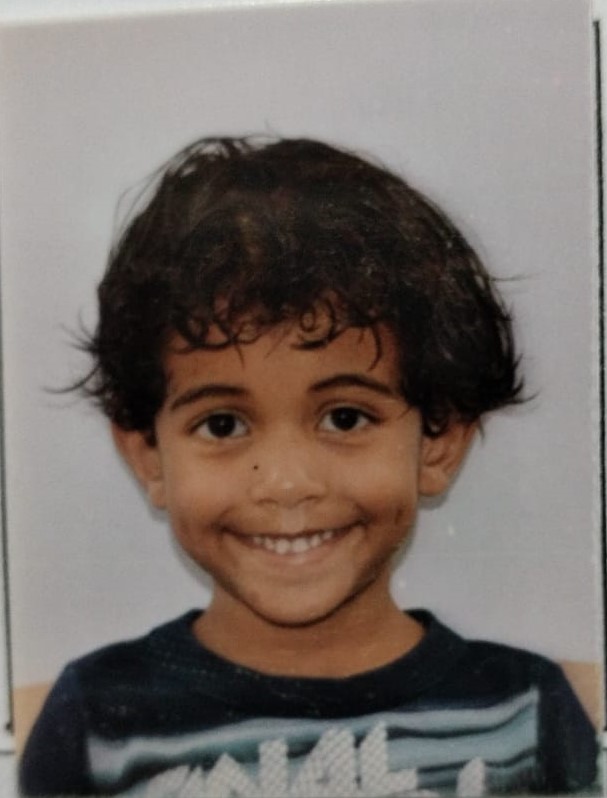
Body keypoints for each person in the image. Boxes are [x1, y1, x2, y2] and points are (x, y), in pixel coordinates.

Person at [19, 137, 598, 796]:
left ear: (437, 443)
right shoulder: (97, 723)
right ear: (148, 456)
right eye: (223, 425)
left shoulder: (524, 715)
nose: (288, 483)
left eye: (345, 418)